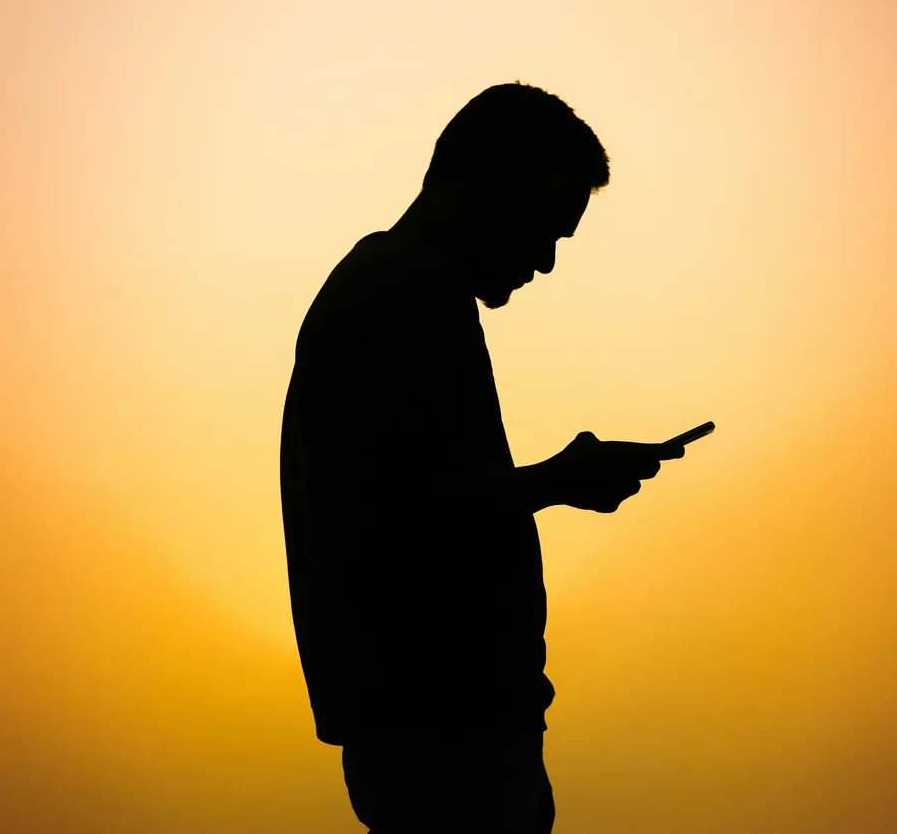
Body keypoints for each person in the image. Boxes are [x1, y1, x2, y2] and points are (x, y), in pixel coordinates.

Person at [279, 81, 685, 833]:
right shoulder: (402, 293)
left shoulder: (395, 289)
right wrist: (557, 480)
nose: (547, 260)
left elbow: (425, 498)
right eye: (545, 227)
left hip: (447, 737)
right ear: (488, 185)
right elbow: (401, 520)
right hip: (442, 744)